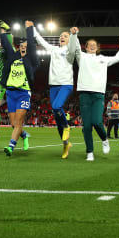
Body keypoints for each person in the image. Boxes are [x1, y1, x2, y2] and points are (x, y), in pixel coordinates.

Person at [68, 27, 119, 161]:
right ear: (86, 47)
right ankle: (90, 152)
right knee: (87, 126)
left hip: (98, 94)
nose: (92, 46)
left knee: (97, 121)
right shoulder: (81, 56)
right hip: (84, 94)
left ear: (98, 47)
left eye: (95, 45)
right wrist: (74, 34)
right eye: (90, 45)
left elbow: (117, 58)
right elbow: (74, 47)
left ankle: (105, 139)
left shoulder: (103, 59)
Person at [33, 22, 76, 158]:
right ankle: (65, 144)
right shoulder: (54, 49)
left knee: (57, 106)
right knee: (57, 118)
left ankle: (67, 126)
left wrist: (74, 35)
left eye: (65, 36)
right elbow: (40, 40)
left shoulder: (70, 50)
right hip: (54, 85)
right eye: (61, 36)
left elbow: (74, 45)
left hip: (66, 84)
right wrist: (32, 28)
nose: (62, 37)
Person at [0, 21, 39, 157]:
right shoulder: (13, 57)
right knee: (13, 124)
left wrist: (29, 28)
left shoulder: (32, 59)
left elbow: (32, 45)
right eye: (21, 45)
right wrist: (3, 33)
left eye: (26, 45)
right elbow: (6, 45)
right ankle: (24, 135)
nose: (23, 47)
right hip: (11, 93)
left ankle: (11, 146)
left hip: (23, 93)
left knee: (18, 122)